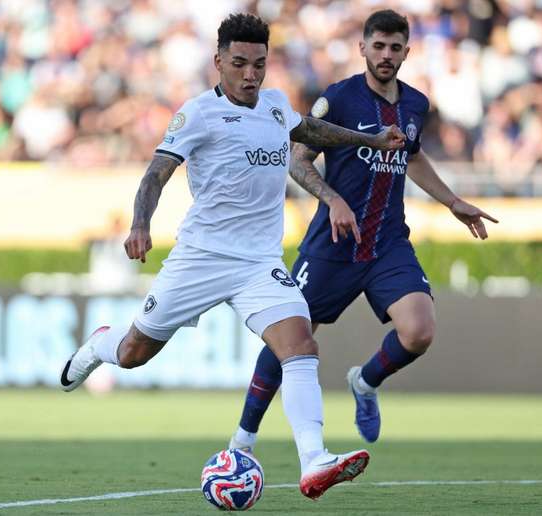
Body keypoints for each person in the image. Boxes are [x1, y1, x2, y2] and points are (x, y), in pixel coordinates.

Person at [59, 13, 406, 500]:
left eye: (259, 64)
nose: (250, 74)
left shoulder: (275, 105)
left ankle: (314, 462)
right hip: (200, 258)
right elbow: (155, 174)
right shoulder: (197, 113)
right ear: (218, 61)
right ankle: (100, 345)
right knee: (134, 354)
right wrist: (140, 223)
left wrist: (370, 140)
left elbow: (311, 131)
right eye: (239, 63)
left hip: (258, 263)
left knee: (301, 346)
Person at [228, 9, 498, 452]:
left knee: (419, 332)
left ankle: (366, 382)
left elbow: (411, 156)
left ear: (407, 52)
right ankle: (244, 438)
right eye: (378, 46)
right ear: (363, 48)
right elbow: (298, 160)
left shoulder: (415, 104)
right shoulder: (339, 100)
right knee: (289, 336)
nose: (386, 55)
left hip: (388, 244)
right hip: (333, 245)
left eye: (395, 48)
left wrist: (451, 201)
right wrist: (333, 199)